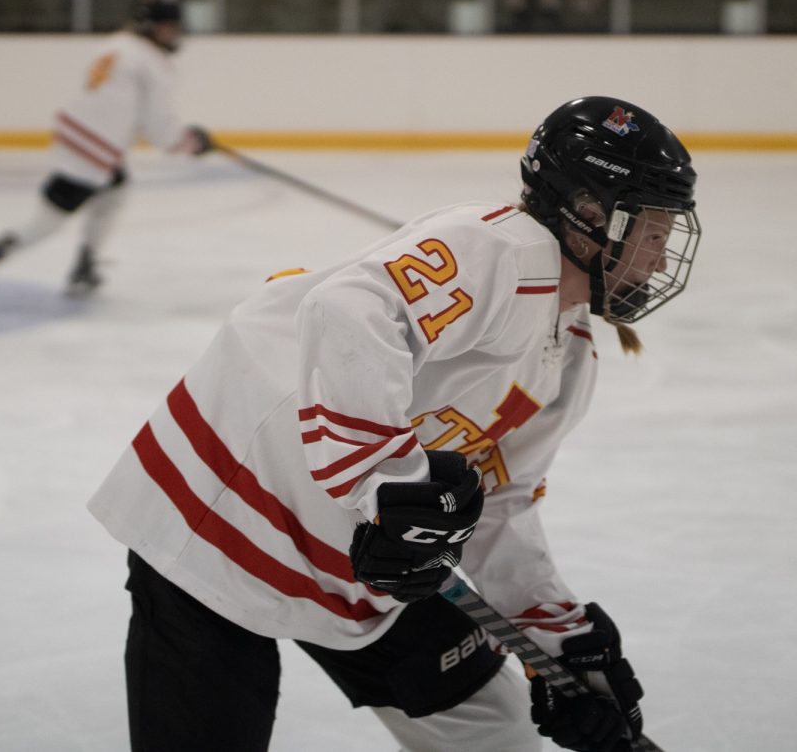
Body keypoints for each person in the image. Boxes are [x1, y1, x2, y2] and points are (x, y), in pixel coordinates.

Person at [87, 96, 702, 751]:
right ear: (588, 213)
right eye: (654, 234)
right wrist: (391, 485)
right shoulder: (499, 247)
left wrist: (560, 633)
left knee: (498, 735)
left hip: (366, 567)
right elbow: (347, 308)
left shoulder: (570, 357)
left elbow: (501, 501)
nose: (660, 260)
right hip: (222, 525)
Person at [0, 0, 213, 295]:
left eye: (176, 26)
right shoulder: (153, 63)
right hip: (94, 150)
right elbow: (160, 130)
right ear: (149, 26)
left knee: (116, 191)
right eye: (166, 26)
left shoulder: (117, 44)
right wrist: (189, 143)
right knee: (49, 221)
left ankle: (85, 263)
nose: (173, 33)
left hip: (75, 135)